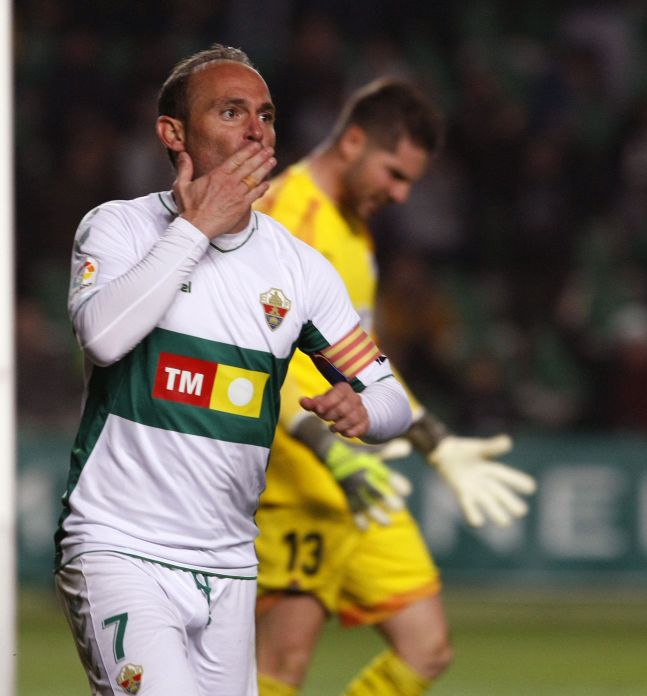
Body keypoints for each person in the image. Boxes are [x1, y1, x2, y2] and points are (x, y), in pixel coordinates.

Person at [53, 45, 412, 696]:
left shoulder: (299, 269)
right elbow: (104, 338)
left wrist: (365, 412)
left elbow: (390, 398)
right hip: (118, 546)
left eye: (266, 115)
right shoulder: (120, 227)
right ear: (174, 133)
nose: (256, 129)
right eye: (231, 111)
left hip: (230, 564)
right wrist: (196, 228)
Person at [252, 78, 537, 696]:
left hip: (362, 475)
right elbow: (251, 361)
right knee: (282, 668)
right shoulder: (284, 216)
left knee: (426, 648)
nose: (402, 196)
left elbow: (359, 358)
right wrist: (330, 453)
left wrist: (431, 437)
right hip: (299, 477)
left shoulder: (353, 227)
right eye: (395, 173)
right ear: (353, 141)